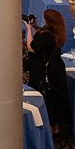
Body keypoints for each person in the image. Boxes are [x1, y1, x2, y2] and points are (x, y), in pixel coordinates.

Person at [27, 8, 72, 136]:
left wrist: (29, 28)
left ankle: (49, 127)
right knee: (57, 97)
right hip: (57, 68)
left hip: (46, 71)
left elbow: (32, 47)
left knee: (48, 98)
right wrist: (36, 27)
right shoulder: (58, 32)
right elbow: (43, 40)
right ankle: (57, 126)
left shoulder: (46, 36)